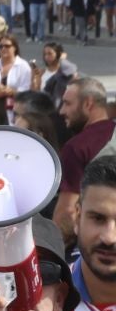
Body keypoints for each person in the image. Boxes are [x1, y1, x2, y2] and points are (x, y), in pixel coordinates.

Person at [56, 77, 114, 245]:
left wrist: (52, 254)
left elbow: (66, 214)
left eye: (67, 103)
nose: (61, 111)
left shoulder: (76, 147)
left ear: (88, 104)